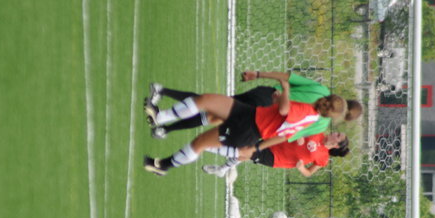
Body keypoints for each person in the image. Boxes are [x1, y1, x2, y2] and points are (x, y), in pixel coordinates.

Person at [142, 73, 348, 176]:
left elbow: (285, 111)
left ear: (326, 99)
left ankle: (164, 165)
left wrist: (284, 90)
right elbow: (284, 134)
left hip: (248, 129)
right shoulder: (313, 119)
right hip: (251, 114)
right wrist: (259, 146)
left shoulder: (308, 112)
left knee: (200, 143)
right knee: (205, 100)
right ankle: (160, 117)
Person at [146, 71, 363, 141]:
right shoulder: (320, 124)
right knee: (211, 114)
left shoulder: (322, 90)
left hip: (264, 97)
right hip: (261, 121)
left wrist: (258, 74)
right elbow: (288, 134)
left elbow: (288, 77)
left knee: (211, 105)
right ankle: (165, 125)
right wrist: (260, 143)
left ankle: (162, 98)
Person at [202, 131, 350, 178]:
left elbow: (309, 173)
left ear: (336, 145)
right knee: (244, 152)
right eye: (337, 132)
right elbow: (299, 128)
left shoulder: (323, 158)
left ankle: (204, 146)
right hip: (274, 141)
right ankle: (222, 169)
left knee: (245, 151)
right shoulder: (318, 132)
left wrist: (301, 168)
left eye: (338, 135)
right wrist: (298, 135)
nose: (335, 132)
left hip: (276, 158)